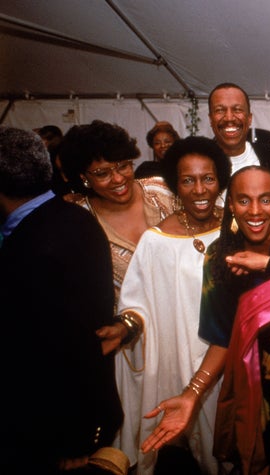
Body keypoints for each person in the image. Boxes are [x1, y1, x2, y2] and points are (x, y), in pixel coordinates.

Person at [139, 165, 270, 474]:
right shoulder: (221, 255)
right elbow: (224, 336)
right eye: (243, 200)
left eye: (265, 200)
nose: (255, 210)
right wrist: (192, 394)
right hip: (262, 388)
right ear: (231, 206)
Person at [0, 126, 124, 473]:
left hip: (59, 432)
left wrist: (75, 436)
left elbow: (74, 343)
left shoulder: (35, 245)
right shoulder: (76, 217)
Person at [113, 136, 231, 474]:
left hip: (233, 355)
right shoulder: (157, 241)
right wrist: (126, 326)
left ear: (220, 180)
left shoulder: (238, 226)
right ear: (176, 186)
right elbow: (138, 304)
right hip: (178, 356)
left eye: (208, 178)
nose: (199, 189)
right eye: (188, 180)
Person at [58, 120, 175, 310]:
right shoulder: (78, 220)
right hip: (126, 334)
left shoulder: (163, 190)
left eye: (123, 166)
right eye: (102, 173)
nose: (118, 179)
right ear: (83, 177)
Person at [208, 82, 270, 176]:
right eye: (220, 110)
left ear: (249, 118)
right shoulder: (196, 163)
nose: (229, 118)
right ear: (210, 119)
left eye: (237, 109)